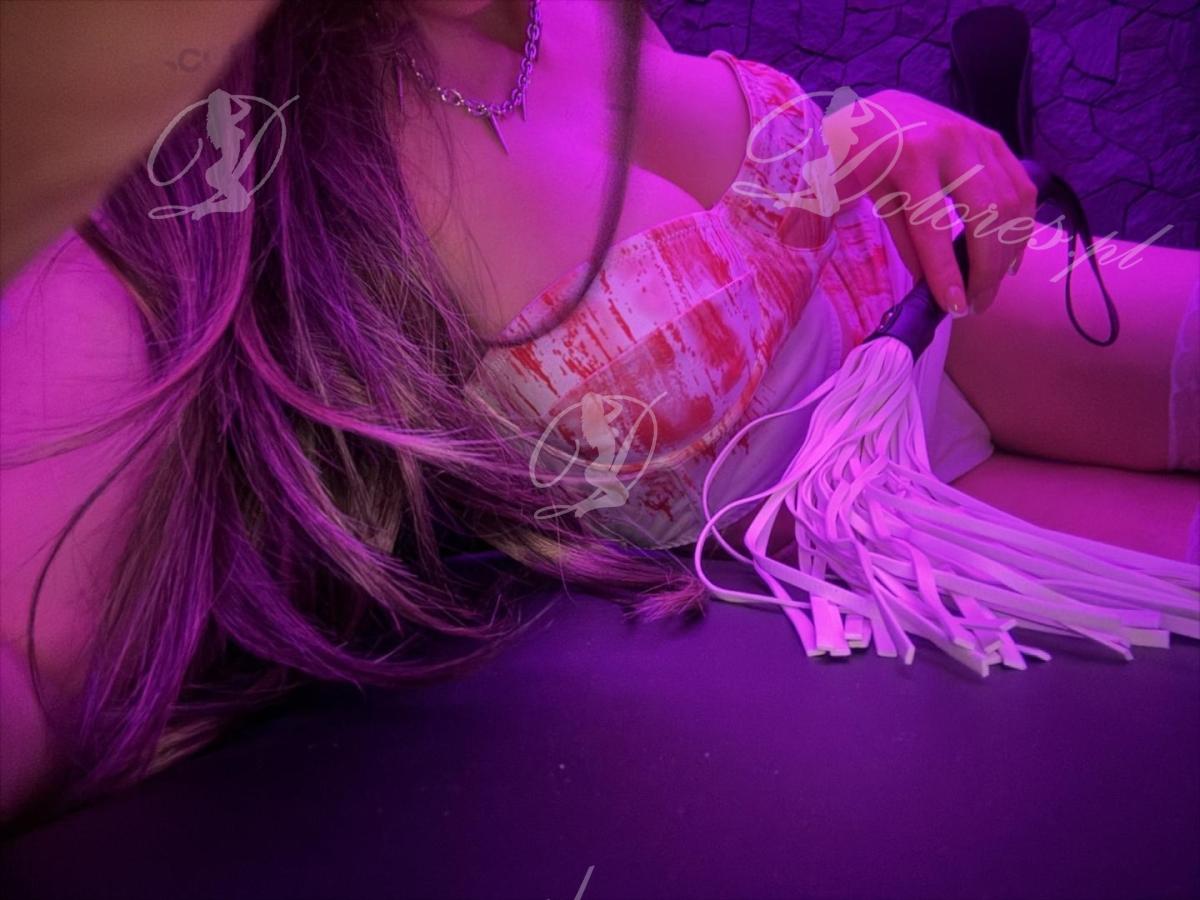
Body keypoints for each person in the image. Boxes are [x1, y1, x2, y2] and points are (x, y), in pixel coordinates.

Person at [1, 0, 1195, 826]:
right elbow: (34, 656)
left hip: (939, 302)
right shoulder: (210, 150)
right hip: (869, 525)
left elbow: (734, 208)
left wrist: (875, 121)